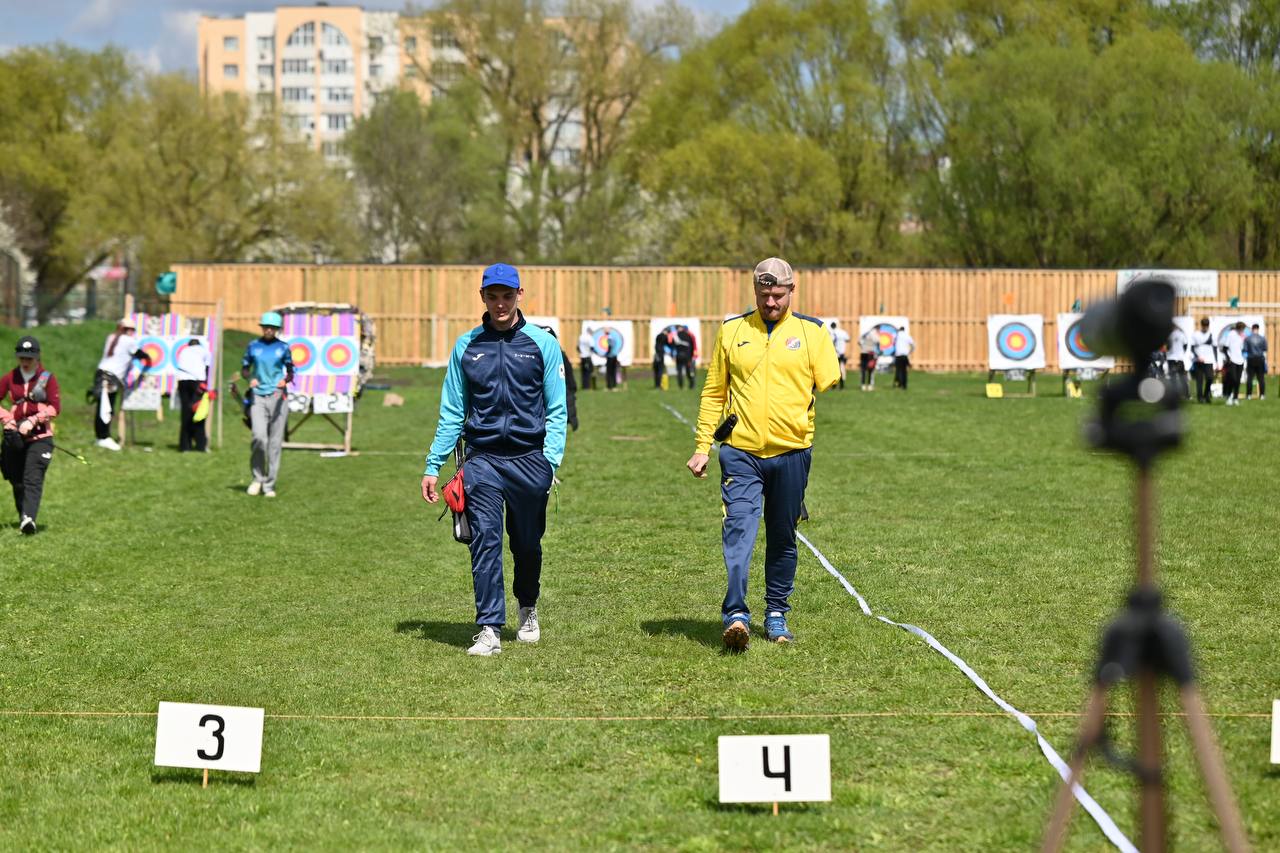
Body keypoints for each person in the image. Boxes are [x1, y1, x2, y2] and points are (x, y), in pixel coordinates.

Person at [686, 257, 839, 650]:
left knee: (783, 536)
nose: (771, 302)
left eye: (778, 295)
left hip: (792, 453)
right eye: (764, 294)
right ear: (754, 290)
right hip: (741, 452)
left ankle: (776, 613)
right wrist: (703, 447)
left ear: (792, 291)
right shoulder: (732, 330)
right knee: (739, 531)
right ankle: (736, 615)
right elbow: (714, 393)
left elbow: (829, 379)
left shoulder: (813, 332)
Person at [422, 263, 567, 657]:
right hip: (482, 459)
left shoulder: (542, 344)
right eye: (492, 296)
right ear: (482, 297)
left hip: (530, 459)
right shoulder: (466, 346)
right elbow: (452, 411)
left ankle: (528, 606)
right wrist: (433, 465)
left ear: (519, 295)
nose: (500, 303)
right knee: (484, 540)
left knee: (527, 543)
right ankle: (489, 628)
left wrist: (550, 462)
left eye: (506, 295)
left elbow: (557, 409)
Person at [0, 336, 60, 534]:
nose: (25, 362)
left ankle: (29, 518)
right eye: (22, 358)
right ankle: (23, 517)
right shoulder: (10, 377)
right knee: (16, 481)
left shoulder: (47, 378)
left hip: (41, 438)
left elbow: (55, 407)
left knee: (32, 478)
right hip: (15, 437)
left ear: (37, 357)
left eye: (29, 358)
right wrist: (7, 419)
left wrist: (33, 420)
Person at [241, 311, 293, 496]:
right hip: (258, 396)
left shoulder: (283, 348)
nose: (269, 330)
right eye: (266, 327)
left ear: (277, 329)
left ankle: (269, 484)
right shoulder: (253, 346)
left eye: (272, 327)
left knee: (275, 442)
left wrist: (285, 381)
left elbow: (291, 371)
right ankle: (257, 478)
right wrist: (250, 378)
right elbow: (245, 368)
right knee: (259, 437)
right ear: (262, 328)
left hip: (278, 396)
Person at [93, 317, 149, 451]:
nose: (132, 332)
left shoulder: (111, 337)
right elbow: (141, 355)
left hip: (101, 374)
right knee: (107, 408)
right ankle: (103, 437)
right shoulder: (129, 341)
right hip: (110, 377)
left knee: (102, 407)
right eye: (130, 329)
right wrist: (149, 357)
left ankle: (101, 437)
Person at [174, 337, 211, 452]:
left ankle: (185, 446)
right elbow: (207, 368)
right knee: (199, 412)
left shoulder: (184, 351)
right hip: (197, 382)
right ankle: (201, 445)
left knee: (186, 413)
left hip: (182, 381)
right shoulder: (204, 351)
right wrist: (205, 384)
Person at [1189, 317, 1216, 404]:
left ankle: (1206, 394)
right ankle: (1200, 398)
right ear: (1201, 325)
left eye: (1206, 326)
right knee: (1199, 380)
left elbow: (1215, 348)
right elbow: (1192, 348)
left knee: (1210, 378)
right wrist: (1197, 356)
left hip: (1209, 360)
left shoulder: (1212, 335)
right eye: (1204, 326)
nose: (1205, 327)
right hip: (1198, 361)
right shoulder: (1195, 334)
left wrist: (1216, 361)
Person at [1221, 321, 1246, 406]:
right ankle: (1229, 396)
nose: (1242, 331)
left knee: (1238, 381)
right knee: (1233, 379)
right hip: (1232, 360)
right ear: (1238, 328)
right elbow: (1225, 348)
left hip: (1240, 361)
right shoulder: (1231, 334)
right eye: (1241, 329)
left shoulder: (1242, 336)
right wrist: (1228, 358)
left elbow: (1241, 348)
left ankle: (1235, 398)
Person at [1166, 324, 1191, 400]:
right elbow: (1185, 346)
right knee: (1182, 377)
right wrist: (1181, 353)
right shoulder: (1182, 334)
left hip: (1171, 358)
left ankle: (1174, 395)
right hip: (1179, 359)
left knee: (1172, 378)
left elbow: (1168, 346)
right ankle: (1186, 395)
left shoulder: (1169, 335)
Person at [1245, 323, 1267, 400]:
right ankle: (1262, 395)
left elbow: (1245, 349)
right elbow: (1265, 348)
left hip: (1251, 359)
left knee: (1250, 378)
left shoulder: (1248, 339)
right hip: (1260, 359)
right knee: (1261, 378)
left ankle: (1249, 395)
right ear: (1258, 329)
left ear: (1252, 329)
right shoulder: (1262, 338)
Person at [828, 320, 851, 390]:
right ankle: (842, 385)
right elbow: (848, 339)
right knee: (842, 369)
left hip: (835, 354)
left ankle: (834, 385)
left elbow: (831, 343)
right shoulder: (842, 332)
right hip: (842, 353)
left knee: (834, 370)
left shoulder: (832, 333)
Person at [893, 325, 915, 390]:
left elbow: (893, 343)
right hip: (904, 356)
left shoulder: (896, 335)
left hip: (898, 356)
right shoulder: (907, 336)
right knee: (904, 371)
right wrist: (910, 351)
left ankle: (898, 384)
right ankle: (904, 385)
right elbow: (913, 345)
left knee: (898, 370)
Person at [857, 326, 878, 390]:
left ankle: (863, 385)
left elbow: (859, 342)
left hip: (863, 353)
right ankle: (869, 385)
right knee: (870, 370)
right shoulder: (873, 334)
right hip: (870, 354)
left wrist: (863, 347)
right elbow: (877, 341)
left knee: (863, 370)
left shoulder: (864, 334)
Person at [577, 326, 595, 391]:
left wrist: (581, 352)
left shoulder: (581, 337)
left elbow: (577, 347)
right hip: (587, 357)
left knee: (583, 372)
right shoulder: (590, 338)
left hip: (582, 357)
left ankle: (584, 385)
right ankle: (588, 386)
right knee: (589, 371)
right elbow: (592, 347)